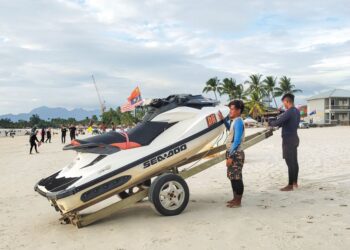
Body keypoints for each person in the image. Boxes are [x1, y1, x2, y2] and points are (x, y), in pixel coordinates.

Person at [269, 93, 300, 191]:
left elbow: (277, 122)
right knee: (294, 161)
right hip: (294, 137)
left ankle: (290, 185)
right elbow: (287, 121)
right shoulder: (296, 111)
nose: (284, 105)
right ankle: (295, 182)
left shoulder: (289, 112)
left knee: (289, 162)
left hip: (288, 140)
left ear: (287, 101)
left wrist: (270, 122)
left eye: (284, 103)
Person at [220, 100, 245, 208]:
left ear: (239, 110)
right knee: (232, 177)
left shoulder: (239, 121)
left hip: (236, 153)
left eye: (232, 109)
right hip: (232, 152)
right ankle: (235, 198)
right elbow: (229, 129)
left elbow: (237, 140)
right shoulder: (234, 121)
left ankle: (238, 201)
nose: (230, 111)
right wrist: (223, 119)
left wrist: (230, 156)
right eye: (230, 109)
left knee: (237, 178)